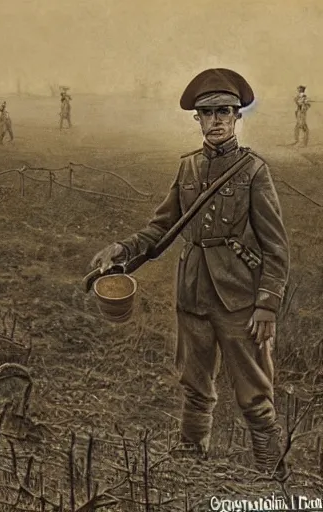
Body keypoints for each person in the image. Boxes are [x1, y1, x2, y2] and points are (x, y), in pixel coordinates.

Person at [89, 68, 290, 479]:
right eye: (207, 113)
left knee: (254, 392)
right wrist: (124, 248)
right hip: (193, 294)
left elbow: (276, 246)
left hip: (239, 299)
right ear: (196, 119)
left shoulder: (253, 172)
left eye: (224, 112)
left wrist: (267, 304)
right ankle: (190, 460)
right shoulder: (188, 169)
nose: (216, 120)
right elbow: (161, 225)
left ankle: (271, 473)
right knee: (195, 384)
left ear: (236, 117)